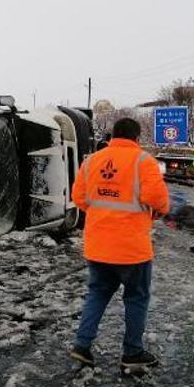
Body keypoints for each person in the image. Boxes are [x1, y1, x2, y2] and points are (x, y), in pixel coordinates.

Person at [69, 117, 170, 369]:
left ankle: (82, 345)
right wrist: (157, 211)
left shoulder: (92, 161)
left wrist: (101, 212)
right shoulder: (144, 161)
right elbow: (158, 200)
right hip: (131, 249)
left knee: (97, 293)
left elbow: (78, 197)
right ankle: (132, 352)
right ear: (136, 138)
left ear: (114, 136)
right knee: (136, 298)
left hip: (98, 245)